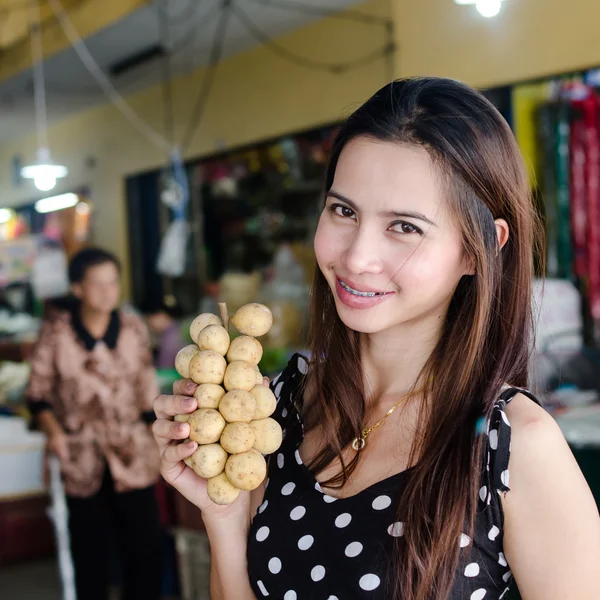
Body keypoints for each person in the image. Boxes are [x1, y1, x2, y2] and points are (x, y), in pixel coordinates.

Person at [152, 78, 600, 600]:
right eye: (343, 211)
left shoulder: (514, 446)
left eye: (404, 227)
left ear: (480, 250)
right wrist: (224, 516)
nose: (356, 257)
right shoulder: (271, 411)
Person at [26, 247, 163, 600]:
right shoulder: (56, 334)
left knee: (145, 550)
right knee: (89, 555)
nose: (107, 292)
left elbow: (148, 395)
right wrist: (54, 432)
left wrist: (162, 442)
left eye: (113, 282)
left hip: (133, 453)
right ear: (77, 289)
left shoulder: (133, 329)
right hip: (80, 455)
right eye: (97, 284)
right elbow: (37, 394)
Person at [141, 300, 187, 368]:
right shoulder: (174, 330)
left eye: (151, 318)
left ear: (161, 315)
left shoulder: (170, 337)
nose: (150, 324)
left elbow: (164, 366)